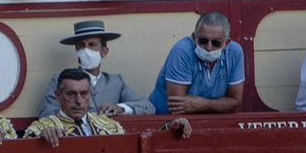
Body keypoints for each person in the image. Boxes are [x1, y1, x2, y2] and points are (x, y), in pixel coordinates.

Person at [26, 69, 186, 144]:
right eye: (71, 94)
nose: (79, 101)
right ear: (57, 96)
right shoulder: (43, 128)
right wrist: (43, 137)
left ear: (90, 94)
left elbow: (138, 145)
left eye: (84, 94)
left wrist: (169, 128)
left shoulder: (108, 124)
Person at [40, 19, 152, 117]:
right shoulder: (61, 79)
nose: (86, 50)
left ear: (104, 51)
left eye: (92, 45)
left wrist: (120, 108)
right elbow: (47, 114)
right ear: (77, 52)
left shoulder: (116, 82)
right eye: (81, 46)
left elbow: (148, 107)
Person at [146, 12, 245, 115]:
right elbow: (177, 107)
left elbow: (235, 104)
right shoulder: (181, 52)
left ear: (226, 43)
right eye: (203, 40)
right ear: (194, 38)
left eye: (216, 43)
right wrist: (219, 105)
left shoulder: (234, 52)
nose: (209, 48)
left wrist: (203, 104)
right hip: (164, 120)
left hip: (208, 121)